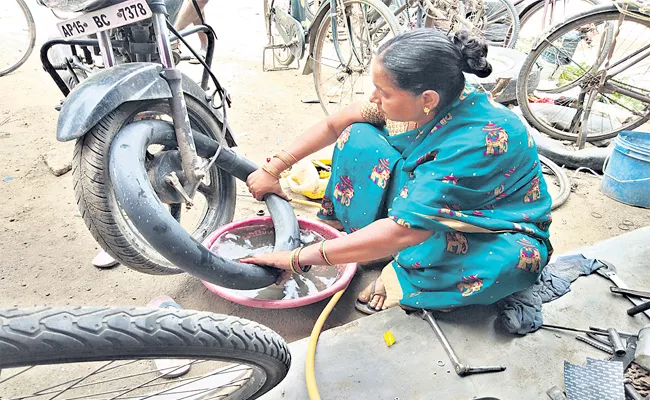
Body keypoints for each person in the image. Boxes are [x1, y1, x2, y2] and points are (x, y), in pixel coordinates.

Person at [242, 28, 554, 315]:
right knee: (358, 135)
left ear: (427, 99)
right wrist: (274, 168)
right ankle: (358, 237)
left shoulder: (476, 142)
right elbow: (334, 124)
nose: (374, 97)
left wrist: (296, 259)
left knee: (512, 265)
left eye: (384, 91)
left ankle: (402, 270)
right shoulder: (423, 99)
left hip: (486, 225)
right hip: (430, 197)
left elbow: (408, 230)